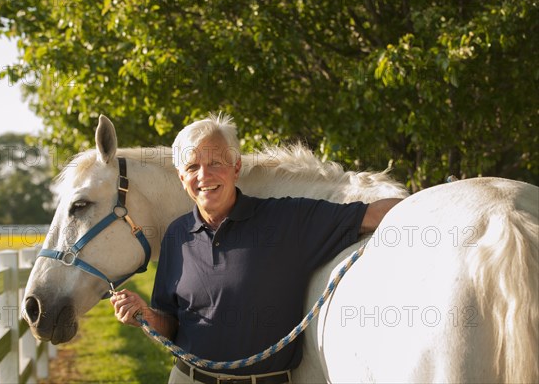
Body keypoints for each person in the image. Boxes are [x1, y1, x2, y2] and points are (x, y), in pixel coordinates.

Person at [111, 114, 402, 384]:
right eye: (192, 167)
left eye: (215, 163)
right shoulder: (176, 235)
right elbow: (170, 325)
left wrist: (440, 202)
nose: (204, 176)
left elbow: (372, 215)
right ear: (181, 177)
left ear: (236, 167)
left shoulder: (287, 220)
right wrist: (145, 316)